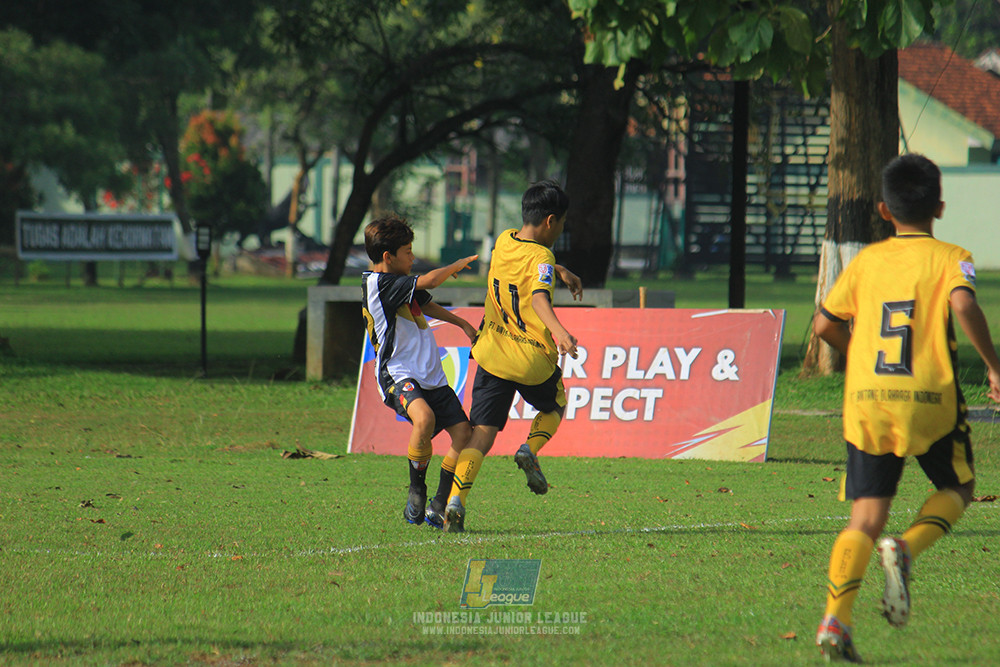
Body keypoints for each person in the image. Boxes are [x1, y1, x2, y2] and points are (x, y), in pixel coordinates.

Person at [812, 154, 1000, 662]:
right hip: (929, 398)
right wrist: (995, 366)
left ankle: (836, 619)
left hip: (868, 402)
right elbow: (963, 306)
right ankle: (907, 551)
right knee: (958, 487)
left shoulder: (866, 261)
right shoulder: (952, 255)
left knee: (864, 517)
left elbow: (824, 325)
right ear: (939, 206)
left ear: (882, 209)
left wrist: (860, 356)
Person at [443, 179, 583, 533]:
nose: (562, 229)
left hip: (492, 352)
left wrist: (560, 270)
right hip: (529, 359)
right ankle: (530, 450)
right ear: (550, 221)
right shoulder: (543, 256)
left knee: (482, 433)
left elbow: (526, 269)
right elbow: (538, 298)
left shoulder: (504, 240)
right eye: (562, 223)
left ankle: (456, 501)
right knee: (555, 406)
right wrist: (561, 332)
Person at [361, 216, 479, 528]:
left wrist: (463, 323)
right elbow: (429, 282)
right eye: (408, 252)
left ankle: (439, 502)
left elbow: (424, 302)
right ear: (389, 257)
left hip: (431, 373)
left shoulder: (397, 282)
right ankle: (417, 490)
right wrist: (455, 266)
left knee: (463, 433)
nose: (413, 258)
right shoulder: (378, 284)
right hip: (397, 373)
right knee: (424, 419)